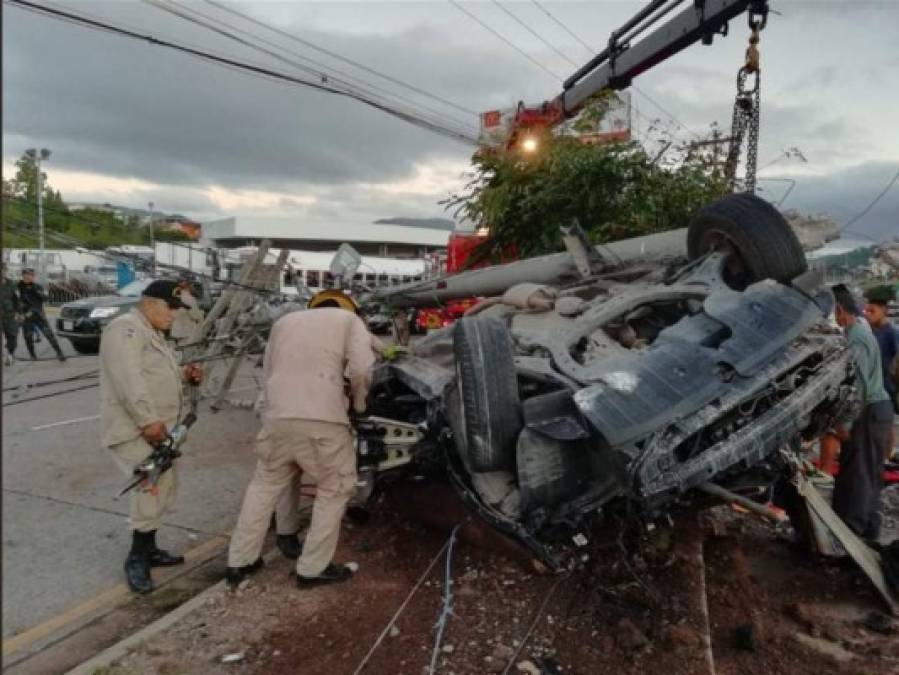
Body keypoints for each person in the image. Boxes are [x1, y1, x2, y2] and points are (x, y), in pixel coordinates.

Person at [226, 296, 375, 588]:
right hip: (323, 421)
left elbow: (268, 371)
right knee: (334, 489)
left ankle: (240, 562)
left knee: (263, 486)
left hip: (277, 419)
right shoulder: (350, 321)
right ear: (349, 309)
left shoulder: (284, 322)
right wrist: (358, 405)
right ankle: (312, 568)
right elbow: (361, 369)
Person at [100, 279, 203, 593]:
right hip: (139, 430)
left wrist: (186, 376)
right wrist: (147, 420)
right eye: (170, 307)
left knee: (162, 486)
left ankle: (150, 548)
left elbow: (156, 375)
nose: (174, 315)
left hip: (161, 430)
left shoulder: (153, 333)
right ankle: (137, 558)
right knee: (150, 488)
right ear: (150, 303)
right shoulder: (126, 329)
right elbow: (129, 380)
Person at [831, 283, 893, 540]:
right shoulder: (859, 332)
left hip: (869, 413)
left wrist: (844, 423)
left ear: (839, 310)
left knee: (859, 475)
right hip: (877, 412)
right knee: (868, 473)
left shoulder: (856, 338)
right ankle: (868, 531)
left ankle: (853, 534)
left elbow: (859, 387)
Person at [864, 284, 899, 460]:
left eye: (872, 311)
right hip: (870, 385)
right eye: (867, 310)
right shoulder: (871, 331)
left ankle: (885, 457)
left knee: (887, 423)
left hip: (887, 386)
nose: (867, 314)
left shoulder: (892, 333)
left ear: (884, 309)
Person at [17, 268, 66, 362]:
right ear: (23, 276)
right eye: (28, 275)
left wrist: (39, 293)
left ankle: (59, 353)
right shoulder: (18, 287)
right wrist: (19, 313)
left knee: (49, 335)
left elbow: (44, 299)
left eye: (32, 275)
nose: (31, 277)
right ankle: (32, 355)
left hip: (39, 316)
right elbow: (16, 301)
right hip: (26, 317)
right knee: (28, 337)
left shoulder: (37, 286)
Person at [169, 275, 204, 345]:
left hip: (178, 331)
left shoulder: (176, 297)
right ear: (189, 286)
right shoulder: (189, 298)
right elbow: (195, 316)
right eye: (193, 285)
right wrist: (201, 314)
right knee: (187, 350)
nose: (194, 287)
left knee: (180, 348)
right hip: (187, 332)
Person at [2, 263, 22, 365]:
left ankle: (10, 355)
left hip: (10, 315)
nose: (2, 272)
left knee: (12, 336)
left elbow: (17, 300)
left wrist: (18, 313)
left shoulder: (12, 284)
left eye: (3, 270)